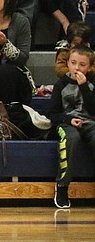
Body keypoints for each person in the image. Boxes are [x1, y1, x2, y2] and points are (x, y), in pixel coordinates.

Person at [48, 44, 95, 208]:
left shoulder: (91, 84)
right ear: (68, 63)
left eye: (82, 65)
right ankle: (62, 186)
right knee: (71, 139)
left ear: (89, 67)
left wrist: (84, 87)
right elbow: (52, 114)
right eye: (73, 63)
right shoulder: (60, 85)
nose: (77, 68)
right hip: (66, 123)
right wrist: (69, 120)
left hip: (90, 123)